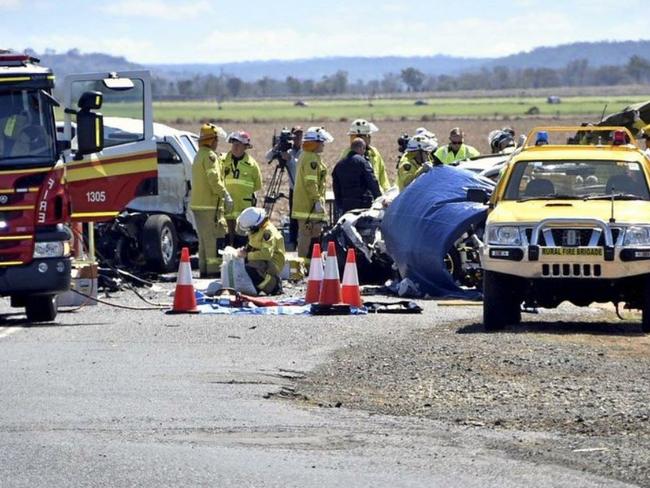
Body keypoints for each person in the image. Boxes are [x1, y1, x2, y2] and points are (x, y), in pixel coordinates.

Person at [190, 123, 233, 278]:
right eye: (216, 139)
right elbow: (214, 179)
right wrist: (225, 195)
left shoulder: (199, 154)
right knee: (213, 241)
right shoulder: (210, 156)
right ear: (211, 140)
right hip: (209, 206)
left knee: (203, 241)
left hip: (198, 204)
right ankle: (213, 273)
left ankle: (204, 271)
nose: (217, 142)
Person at [292, 126, 333, 258]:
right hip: (308, 206)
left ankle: (311, 264)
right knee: (306, 236)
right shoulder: (311, 159)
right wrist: (316, 200)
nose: (323, 146)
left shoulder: (308, 156)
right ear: (315, 143)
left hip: (307, 205)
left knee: (313, 235)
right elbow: (311, 182)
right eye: (322, 143)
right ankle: (304, 264)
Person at [222, 131, 263, 248]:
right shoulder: (222, 161)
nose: (235, 147)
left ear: (245, 147)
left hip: (243, 207)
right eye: (233, 144)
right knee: (226, 237)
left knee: (241, 239)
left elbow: (257, 185)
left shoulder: (252, 165)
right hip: (226, 206)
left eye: (238, 144)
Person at [264, 126, 303, 249]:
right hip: (293, 189)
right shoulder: (288, 151)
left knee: (299, 216)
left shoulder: (304, 152)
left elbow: (299, 166)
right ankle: (292, 240)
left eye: (300, 136)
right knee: (292, 215)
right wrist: (277, 147)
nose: (297, 139)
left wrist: (290, 159)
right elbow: (268, 157)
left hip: (301, 189)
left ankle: (298, 240)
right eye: (295, 136)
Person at [236, 207, 285, 295]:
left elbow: (266, 254)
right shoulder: (258, 229)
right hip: (262, 259)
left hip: (273, 262)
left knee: (251, 269)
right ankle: (257, 286)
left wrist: (247, 255)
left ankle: (274, 286)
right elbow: (254, 244)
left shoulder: (268, 232)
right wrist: (245, 250)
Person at [332, 137, 381, 215]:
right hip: (363, 203)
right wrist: (379, 198)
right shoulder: (362, 162)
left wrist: (339, 203)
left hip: (346, 204)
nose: (364, 151)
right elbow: (371, 181)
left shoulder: (339, 164)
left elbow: (336, 186)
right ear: (361, 148)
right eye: (364, 149)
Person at [340, 119, 390, 192]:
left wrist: (387, 191)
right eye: (368, 135)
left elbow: (382, 175)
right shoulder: (347, 155)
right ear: (361, 137)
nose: (370, 138)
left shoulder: (374, 152)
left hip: (377, 196)